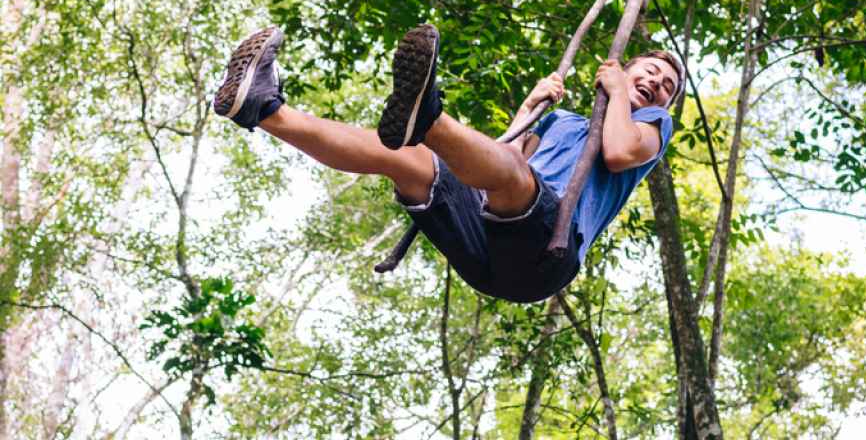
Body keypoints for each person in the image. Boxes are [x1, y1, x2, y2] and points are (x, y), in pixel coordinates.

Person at [213, 24, 682, 303]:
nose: (656, 84)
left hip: (543, 256)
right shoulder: (559, 121)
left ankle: (429, 116)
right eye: (650, 72)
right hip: (488, 244)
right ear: (627, 65)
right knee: (408, 159)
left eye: (666, 86)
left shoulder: (652, 126)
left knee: (513, 182)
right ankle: (263, 107)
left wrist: (621, 90)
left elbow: (618, 152)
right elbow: (504, 160)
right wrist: (530, 107)